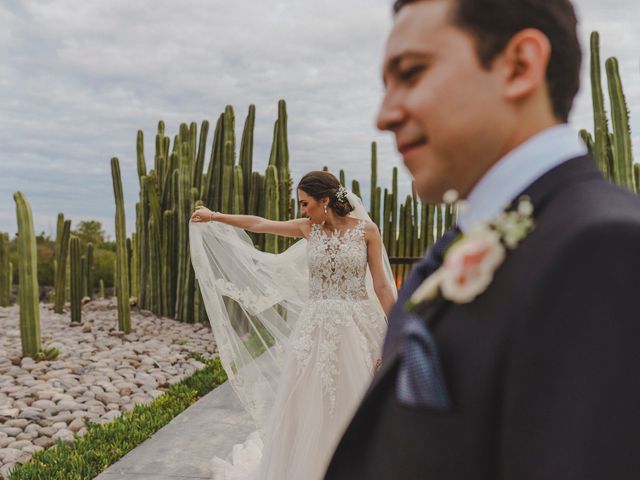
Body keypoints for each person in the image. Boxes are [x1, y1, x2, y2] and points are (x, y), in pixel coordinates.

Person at [325, 0, 640, 479]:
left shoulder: (603, 251)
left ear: (518, 66)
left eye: (411, 73)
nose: (384, 115)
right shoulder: (468, 236)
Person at [189, 170, 397, 479]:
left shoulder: (367, 231)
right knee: (311, 398)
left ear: (324, 200)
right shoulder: (307, 229)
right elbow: (259, 224)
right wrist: (214, 216)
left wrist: (399, 327)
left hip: (358, 324)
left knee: (358, 395)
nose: (301, 210)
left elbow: (381, 285)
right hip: (316, 327)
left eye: (305, 203)